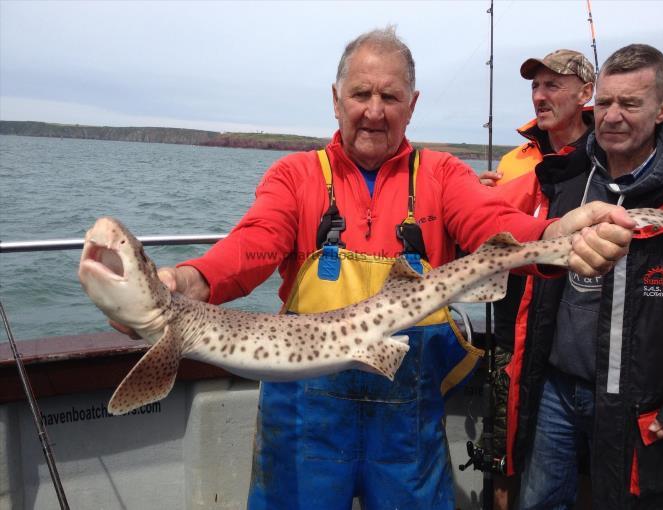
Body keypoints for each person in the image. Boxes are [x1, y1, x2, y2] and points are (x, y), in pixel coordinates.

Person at [115, 28, 634, 509]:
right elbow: (255, 243)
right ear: (335, 99)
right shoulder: (296, 175)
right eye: (361, 94)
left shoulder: (441, 173)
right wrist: (185, 282)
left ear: (412, 106)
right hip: (303, 423)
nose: (374, 111)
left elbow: (491, 223)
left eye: (390, 97)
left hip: (405, 425)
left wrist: (551, 236)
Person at [505, 43, 663, 510]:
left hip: (640, 406)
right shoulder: (565, 178)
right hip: (556, 389)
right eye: (604, 103)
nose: (612, 116)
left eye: (630, 103)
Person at [478, 49, 596, 510]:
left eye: (553, 86)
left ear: (585, 93)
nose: (540, 96)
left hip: (570, 331)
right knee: (503, 446)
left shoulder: (602, 156)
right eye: (535, 87)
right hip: (511, 320)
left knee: (583, 459)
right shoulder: (514, 161)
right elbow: (485, 234)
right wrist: (483, 198)